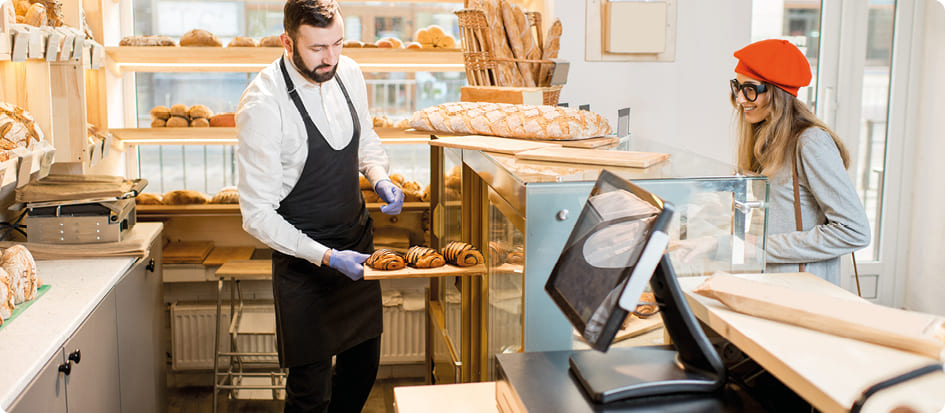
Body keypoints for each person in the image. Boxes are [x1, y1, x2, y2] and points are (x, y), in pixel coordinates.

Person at [235, 0, 404, 411]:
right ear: (287, 42)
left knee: (362, 371)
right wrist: (326, 257)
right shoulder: (263, 104)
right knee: (309, 392)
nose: (330, 58)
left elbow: (366, 141)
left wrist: (379, 175)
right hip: (304, 265)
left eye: (338, 44)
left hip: (356, 245)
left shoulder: (348, 72)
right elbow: (256, 215)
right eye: (316, 49)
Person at [673, 39, 870, 285]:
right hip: (767, 285)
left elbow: (853, 232)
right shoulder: (766, 139)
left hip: (801, 292)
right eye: (737, 87)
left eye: (750, 89)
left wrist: (756, 248)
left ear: (777, 93)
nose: (741, 99)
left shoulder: (810, 142)